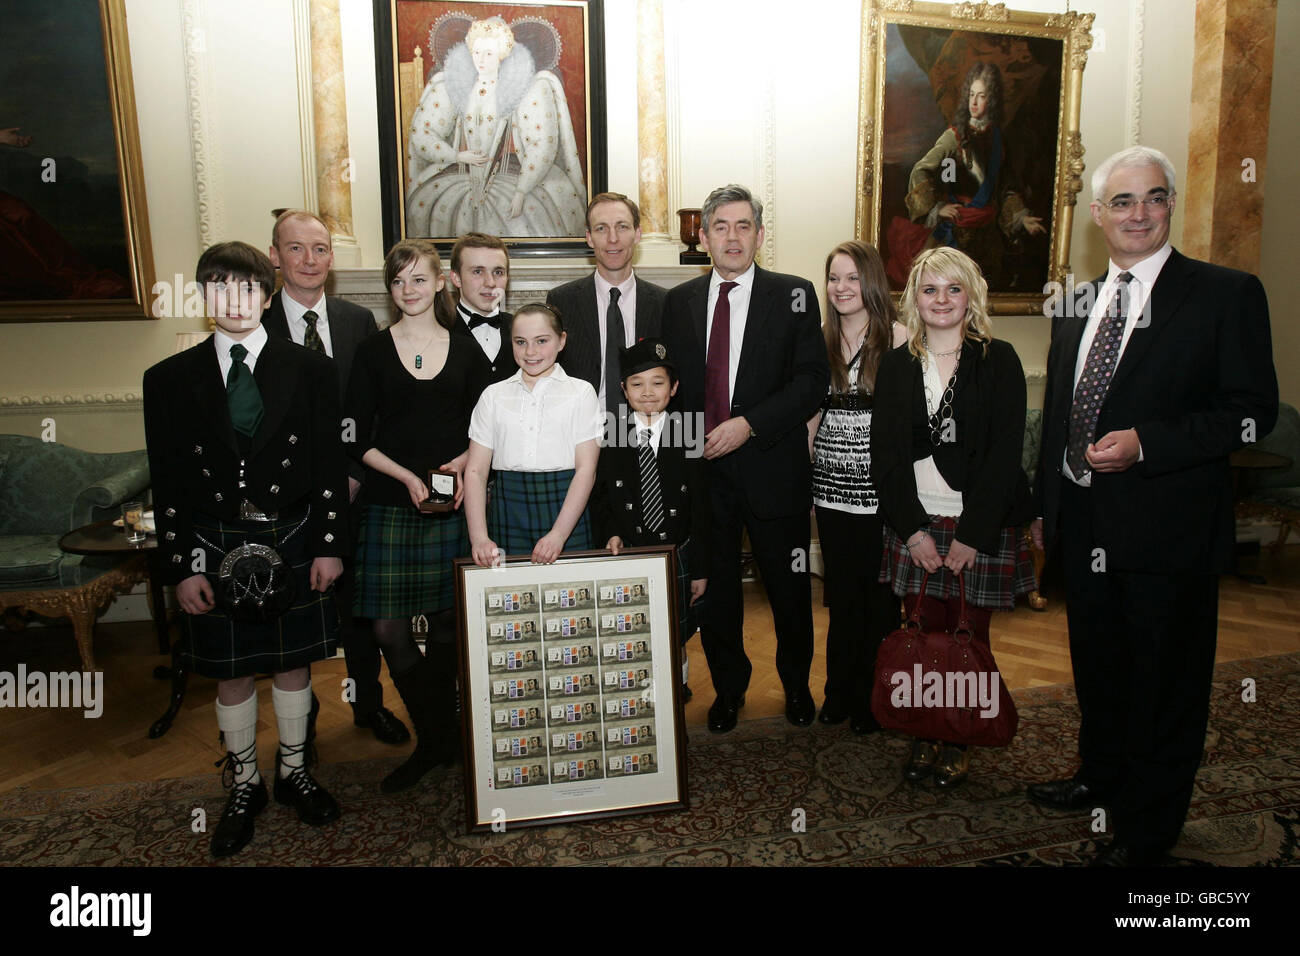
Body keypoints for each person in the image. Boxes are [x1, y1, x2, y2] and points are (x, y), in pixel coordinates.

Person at [1027, 146, 1277, 866]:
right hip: (1084, 526)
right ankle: (1100, 779)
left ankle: (1149, 825)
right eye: (1124, 201)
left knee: (1166, 682)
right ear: (1098, 215)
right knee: (1100, 669)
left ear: (1171, 206)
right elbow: (1061, 415)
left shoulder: (1225, 294)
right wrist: (1050, 506)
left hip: (1169, 530)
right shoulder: (1076, 301)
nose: (1139, 214)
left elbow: (1250, 413)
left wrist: (1148, 443)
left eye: (1154, 198)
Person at [142, 242, 346, 857]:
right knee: (229, 673)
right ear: (204, 296)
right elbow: (169, 477)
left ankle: (293, 771)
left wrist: (330, 547)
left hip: (290, 533)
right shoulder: (169, 379)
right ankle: (244, 782)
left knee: (291, 662)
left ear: (266, 293)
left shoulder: (311, 369)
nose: (235, 300)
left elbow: (329, 466)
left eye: (248, 288)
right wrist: (181, 566)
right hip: (214, 539)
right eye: (220, 288)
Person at [660, 184, 829, 733]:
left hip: (772, 467)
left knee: (786, 588)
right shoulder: (678, 302)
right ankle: (728, 690)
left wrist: (748, 424)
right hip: (703, 476)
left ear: (760, 234)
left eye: (743, 226)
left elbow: (811, 383)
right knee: (718, 592)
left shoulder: (795, 294)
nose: (732, 237)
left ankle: (798, 686)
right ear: (703, 236)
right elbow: (672, 392)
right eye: (720, 227)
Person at [873, 245, 1035, 788]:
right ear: (914, 299)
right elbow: (886, 457)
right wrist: (912, 530)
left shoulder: (999, 359)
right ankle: (924, 728)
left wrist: (973, 535)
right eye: (929, 289)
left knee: (969, 637)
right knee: (920, 630)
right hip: (917, 522)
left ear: (971, 296)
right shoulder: (897, 365)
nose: (941, 299)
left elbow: (1005, 455)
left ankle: (959, 734)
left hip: (976, 525)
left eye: (953, 288)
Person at [262, 209, 409, 748]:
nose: (309, 260)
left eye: (320, 249)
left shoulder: (356, 322)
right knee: (290, 612)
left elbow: (373, 412)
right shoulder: (256, 324)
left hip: (352, 493)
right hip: (281, 504)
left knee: (360, 614)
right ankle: (300, 730)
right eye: (295, 248)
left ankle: (368, 707)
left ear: (332, 257)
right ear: (275, 257)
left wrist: (350, 475)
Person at [345, 239, 485, 793]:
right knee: (388, 628)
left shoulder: (466, 347)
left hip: (454, 501)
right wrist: (405, 476)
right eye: (399, 281)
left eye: (419, 279)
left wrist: (465, 459)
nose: (409, 290)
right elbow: (353, 433)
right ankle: (438, 734)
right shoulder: (372, 351)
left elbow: (486, 424)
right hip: (388, 503)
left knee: (452, 621)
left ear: (440, 283)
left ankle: (440, 738)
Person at [806, 240, 907, 734]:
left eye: (851, 278)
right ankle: (838, 692)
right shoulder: (818, 339)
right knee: (841, 596)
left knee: (880, 599)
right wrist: (806, 482)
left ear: (870, 281)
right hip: (829, 491)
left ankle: (875, 698)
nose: (841, 288)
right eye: (833, 278)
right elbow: (811, 420)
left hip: (879, 493)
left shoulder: (900, 338)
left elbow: (910, 425)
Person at [405, 16, 585, 238]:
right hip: (460, 177)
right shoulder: (452, 86)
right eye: (476, 52)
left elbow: (542, 145)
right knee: (426, 207)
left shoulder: (525, 90)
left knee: (523, 216)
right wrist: (457, 156)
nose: (480, 59)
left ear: (501, 55)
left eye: (489, 53)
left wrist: (521, 190)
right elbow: (422, 135)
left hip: (508, 179)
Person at [465, 303, 604, 567]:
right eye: (520, 342)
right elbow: (475, 472)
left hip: (565, 509)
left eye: (542, 341)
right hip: (508, 508)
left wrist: (558, 535)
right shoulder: (493, 396)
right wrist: (479, 537)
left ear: (561, 341)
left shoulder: (581, 393)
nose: (530, 352)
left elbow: (587, 470)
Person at [885, 62, 1045, 289]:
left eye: (981, 96)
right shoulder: (954, 137)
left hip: (988, 236)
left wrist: (1020, 218)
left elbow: (1006, 188)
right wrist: (936, 208)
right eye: (971, 95)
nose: (974, 102)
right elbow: (921, 170)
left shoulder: (999, 139)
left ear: (992, 100)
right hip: (956, 233)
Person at [546, 193, 667, 421]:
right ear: (589, 238)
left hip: (646, 430)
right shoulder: (562, 300)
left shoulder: (664, 302)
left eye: (622, 227)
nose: (613, 239)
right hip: (580, 432)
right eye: (601, 229)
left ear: (637, 234)